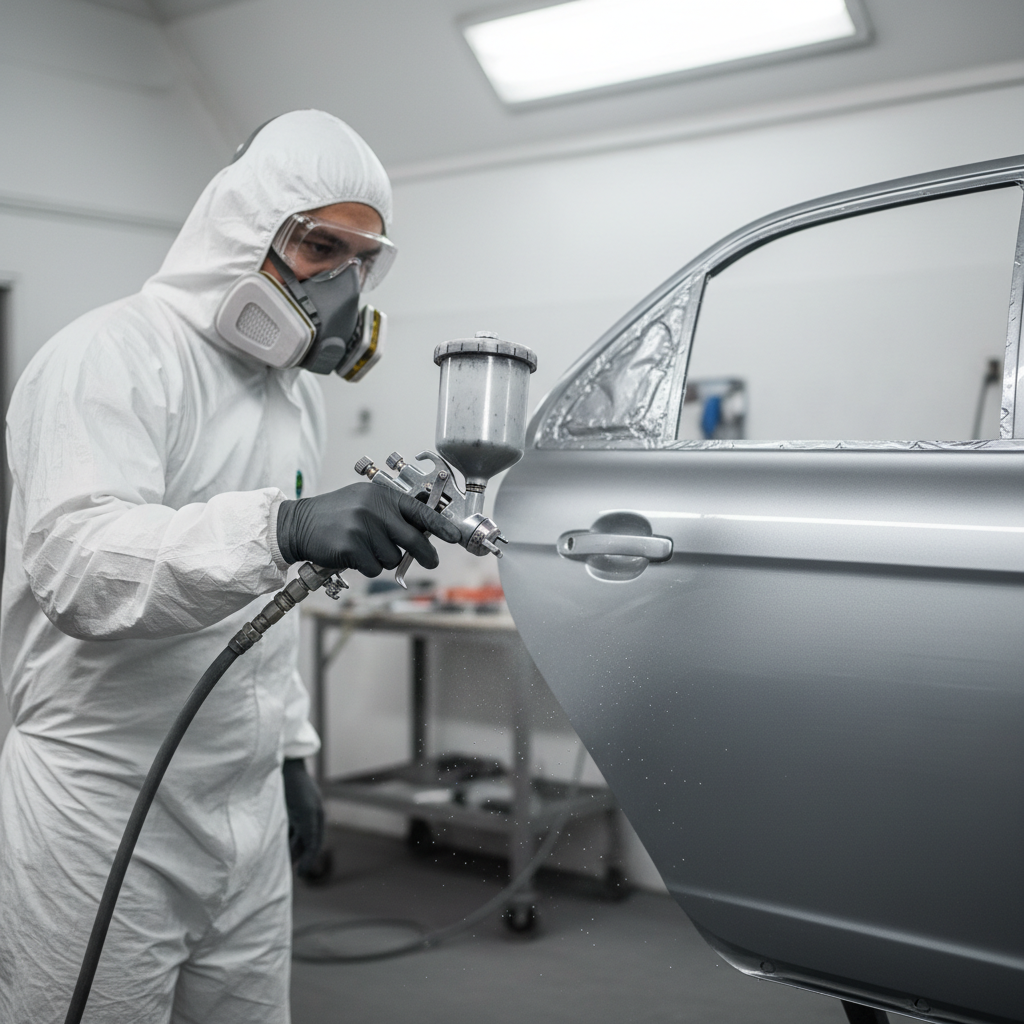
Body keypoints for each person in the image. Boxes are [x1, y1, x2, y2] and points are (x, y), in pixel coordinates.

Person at [0, 109, 459, 1023]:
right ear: (243, 230)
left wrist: (290, 752)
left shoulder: (294, 400)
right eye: (319, 247)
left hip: (239, 807)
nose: (340, 284)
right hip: (103, 803)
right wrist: (283, 525)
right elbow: (78, 565)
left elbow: (268, 613)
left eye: (359, 260)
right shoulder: (113, 353)